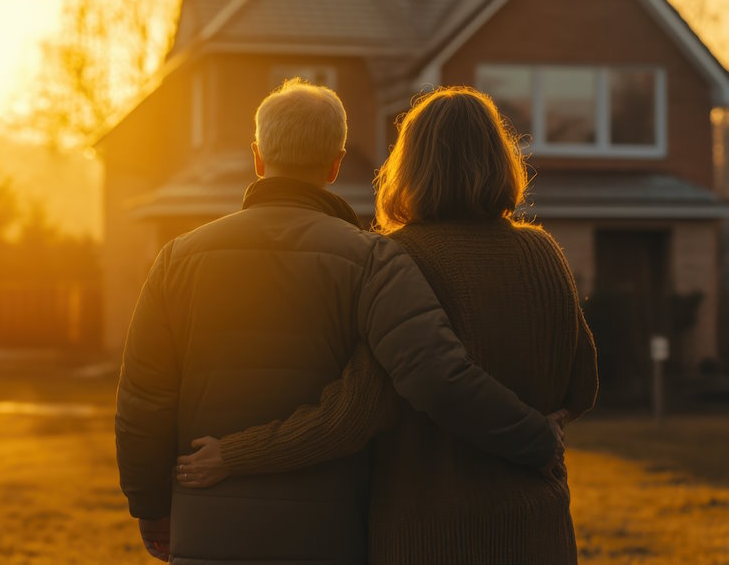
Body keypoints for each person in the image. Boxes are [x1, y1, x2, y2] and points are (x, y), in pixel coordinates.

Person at [115, 79, 564, 564]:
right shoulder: (371, 260)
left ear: (258, 158)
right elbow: (432, 374)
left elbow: (143, 400)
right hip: (326, 535)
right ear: (335, 164)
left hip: (205, 530)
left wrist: (152, 507)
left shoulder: (178, 260)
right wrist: (537, 437)